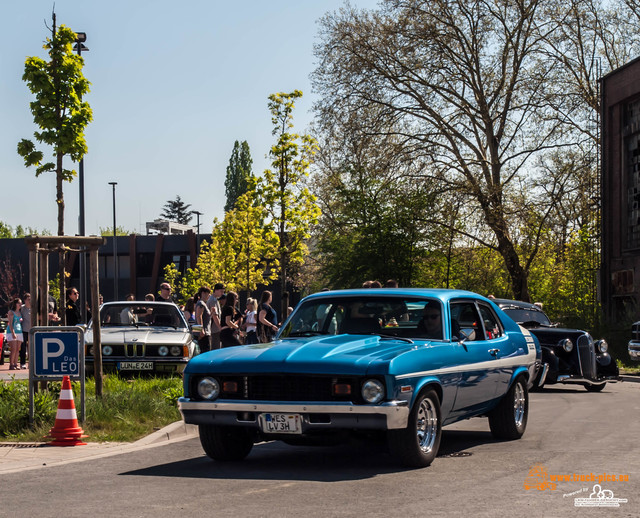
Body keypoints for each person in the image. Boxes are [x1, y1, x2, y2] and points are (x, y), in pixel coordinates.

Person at [6, 298, 23, 370]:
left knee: (17, 349)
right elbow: (10, 323)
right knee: (13, 349)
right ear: (15, 304)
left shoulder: (20, 312)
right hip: (12, 332)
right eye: (19, 303)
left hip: (19, 331)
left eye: (21, 303)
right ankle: (11, 364)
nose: (20, 304)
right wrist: (13, 333)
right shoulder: (11, 312)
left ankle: (16, 364)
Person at [207, 283, 225, 349]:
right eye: (221, 291)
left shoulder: (215, 300)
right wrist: (220, 328)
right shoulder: (213, 300)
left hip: (215, 329)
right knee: (215, 348)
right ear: (216, 290)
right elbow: (215, 316)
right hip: (214, 330)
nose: (222, 293)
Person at [194, 286, 212, 353]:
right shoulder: (201, 303)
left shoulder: (202, 303)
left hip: (201, 329)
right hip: (202, 331)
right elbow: (199, 316)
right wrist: (201, 330)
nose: (209, 295)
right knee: (204, 350)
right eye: (208, 293)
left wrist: (212, 312)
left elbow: (206, 317)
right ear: (203, 293)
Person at [19, 292, 32, 369]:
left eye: (30, 299)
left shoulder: (34, 308)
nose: (29, 301)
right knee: (23, 348)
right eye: (28, 299)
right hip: (24, 330)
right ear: (25, 300)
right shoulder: (22, 308)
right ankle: (22, 363)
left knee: (31, 348)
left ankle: (31, 363)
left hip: (32, 331)